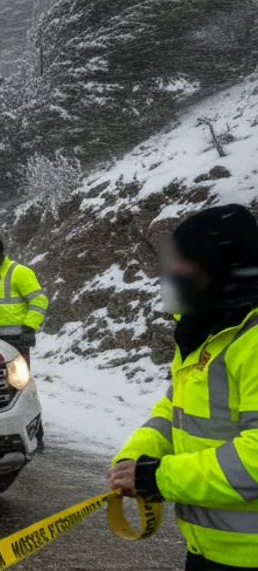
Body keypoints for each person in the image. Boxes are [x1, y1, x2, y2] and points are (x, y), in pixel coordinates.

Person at [109, 204, 258, 571]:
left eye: (185, 262)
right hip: (209, 549)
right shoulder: (203, 330)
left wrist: (158, 477)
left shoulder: (251, 339)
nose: (173, 273)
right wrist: (135, 457)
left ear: (222, 267)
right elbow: (175, 411)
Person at [0, 237, 48, 364]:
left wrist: (30, 325)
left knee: (18, 380)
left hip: (17, 338)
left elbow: (39, 300)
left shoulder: (19, 272)